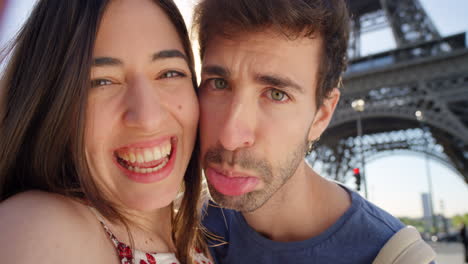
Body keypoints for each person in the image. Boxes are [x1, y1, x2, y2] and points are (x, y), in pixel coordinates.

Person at [192, 0, 421, 263]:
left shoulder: (396, 257)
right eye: (218, 83)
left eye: (277, 94)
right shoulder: (179, 227)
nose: (230, 137)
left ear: (321, 115)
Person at [0, 0, 210, 263]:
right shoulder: (42, 229)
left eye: (169, 73)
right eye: (102, 82)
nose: (148, 118)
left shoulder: (201, 237)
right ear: (52, 103)